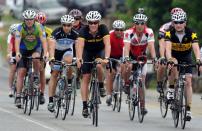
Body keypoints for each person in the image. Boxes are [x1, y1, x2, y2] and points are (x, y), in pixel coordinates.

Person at [165, 11, 201, 121]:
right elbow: (167, 48)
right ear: (173, 23)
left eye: (181, 22)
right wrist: (169, 59)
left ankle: (188, 110)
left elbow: (195, 47)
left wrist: (198, 59)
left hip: (187, 57)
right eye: (176, 22)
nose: (178, 24)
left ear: (185, 23)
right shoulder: (169, 33)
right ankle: (171, 90)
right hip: (174, 56)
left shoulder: (191, 33)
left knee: (188, 82)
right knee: (174, 64)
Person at [76, 11, 111, 118]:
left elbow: (108, 44)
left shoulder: (103, 28)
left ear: (98, 23)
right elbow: (80, 46)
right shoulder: (83, 30)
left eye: (95, 23)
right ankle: (85, 106)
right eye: (90, 23)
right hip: (87, 51)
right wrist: (79, 59)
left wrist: (107, 58)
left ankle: (101, 85)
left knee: (100, 65)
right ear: (87, 23)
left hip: (99, 51)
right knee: (86, 77)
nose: (93, 25)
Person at [123, 8, 157, 115]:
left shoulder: (149, 32)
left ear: (145, 24)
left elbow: (151, 47)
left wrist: (155, 58)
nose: (140, 25)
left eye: (142, 23)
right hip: (131, 55)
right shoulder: (128, 32)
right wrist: (127, 58)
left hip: (142, 57)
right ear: (134, 24)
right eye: (137, 23)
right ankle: (127, 83)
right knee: (127, 66)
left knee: (142, 81)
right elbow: (127, 48)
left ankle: (142, 106)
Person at [15, 9, 48, 108]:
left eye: (31, 19)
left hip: (35, 48)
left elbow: (44, 41)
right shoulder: (20, 28)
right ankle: (18, 96)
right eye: (27, 19)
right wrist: (17, 52)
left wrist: (45, 53)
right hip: (23, 49)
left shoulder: (39, 27)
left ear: (34, 19)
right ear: (24, 20)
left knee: (36, 58)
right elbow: (17, 41)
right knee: (21, 72)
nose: (29, 21)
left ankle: (36, 76)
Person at [47, 15, 78, 112]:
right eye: (64, 25)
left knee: (69, 62)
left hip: (67, 51)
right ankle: (51, 101)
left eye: (69, 25)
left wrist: (78, 58)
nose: (66, 27)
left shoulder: (75, 34)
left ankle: (68, 83)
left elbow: (78, 46)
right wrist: (51, 57)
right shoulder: (57, 32)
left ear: (72, 25)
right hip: (56, 52)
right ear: (61, 25)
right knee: (54, 74)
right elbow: (51, 45)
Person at [156, 7, 184, 93]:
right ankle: (159, 83)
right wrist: (162, 56)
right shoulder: (165, 27)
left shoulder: (183, 26)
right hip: (165, 49)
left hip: (178, 50)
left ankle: (175, 87)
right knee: (163, 64)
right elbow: (161, 43)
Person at [105, 20, 125, 106]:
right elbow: (106, 47)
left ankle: (122, 84)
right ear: (114, 29)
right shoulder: (109, 35)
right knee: (111, 73)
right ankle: (109, 95)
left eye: (121, 30)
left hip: (121, 57)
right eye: (117, 29)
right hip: (111, 56)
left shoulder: (126, 36)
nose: (119, 32)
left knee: (122, 69)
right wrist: (106, 58)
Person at [35, 11, 53, 104]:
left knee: (41, 70)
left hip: (43, 51)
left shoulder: (48, 31)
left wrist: (49, 55)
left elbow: (51, 44)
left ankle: (41, 94)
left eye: (42, 23)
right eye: (38, 23)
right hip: (33, 49)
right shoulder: (31, 29)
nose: (40, 26)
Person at [7, 24, 19, 97]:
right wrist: (9, 54)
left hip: (21, 51)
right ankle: (10, 88)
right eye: (12, 34)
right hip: (14, 52)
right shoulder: (10, 36)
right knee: (13, 69)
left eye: (13, 34)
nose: (12, 35)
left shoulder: (22, 35)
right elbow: (9, 47)